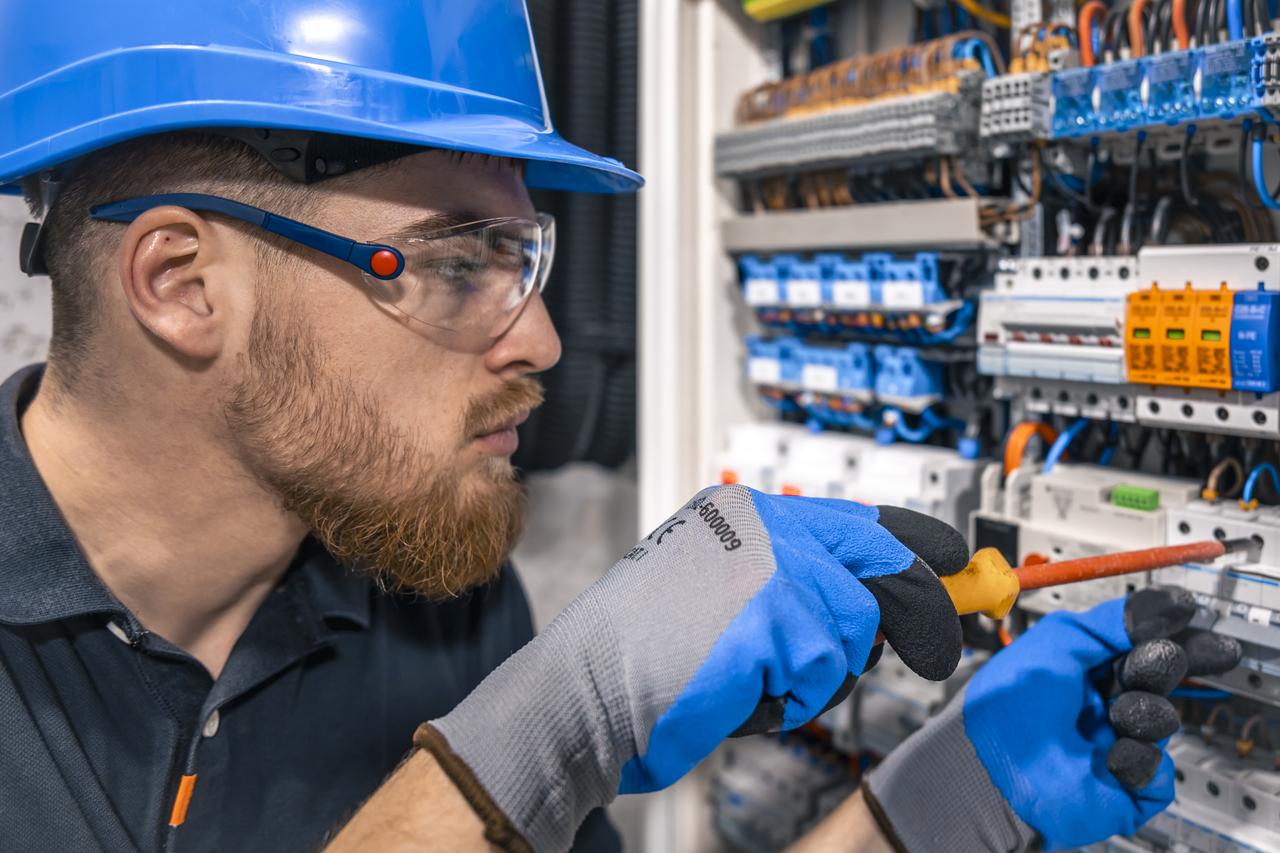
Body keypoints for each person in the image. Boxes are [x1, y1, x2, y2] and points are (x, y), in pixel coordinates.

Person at [0, 3, 1241, 852]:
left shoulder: (434, 605)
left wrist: (927, 814)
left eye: (524, 257)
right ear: (181, 284)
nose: (541, 342)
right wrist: (541, 736)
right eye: (459, 260)